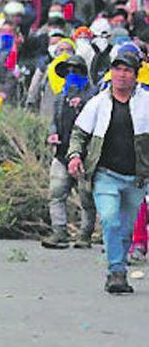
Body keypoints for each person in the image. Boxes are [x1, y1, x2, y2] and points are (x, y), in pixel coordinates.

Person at [68, 50, 149, 295]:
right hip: (105, 174)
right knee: (111, 220)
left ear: (135, 76)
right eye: (117, 69)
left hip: (136, 178)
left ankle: (118, 269)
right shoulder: (98, 102)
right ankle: (116, 271)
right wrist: (74, 156)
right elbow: (79, 133)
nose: (121, 75)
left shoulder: (145, 102)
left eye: (127, 70)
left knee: (125, 229)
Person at [40, 55, 97, 249]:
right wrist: (53, 133)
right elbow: (54, 121)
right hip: (62, 152)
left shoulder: (94, 96)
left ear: (83, 72)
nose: (71, 75)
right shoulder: (60, 97)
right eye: (68, 72)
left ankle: (85, 234)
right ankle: (59, 231)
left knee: (86, 197)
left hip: (85, 154)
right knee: (56, 193)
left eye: (76, 71)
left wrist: (81, 105)